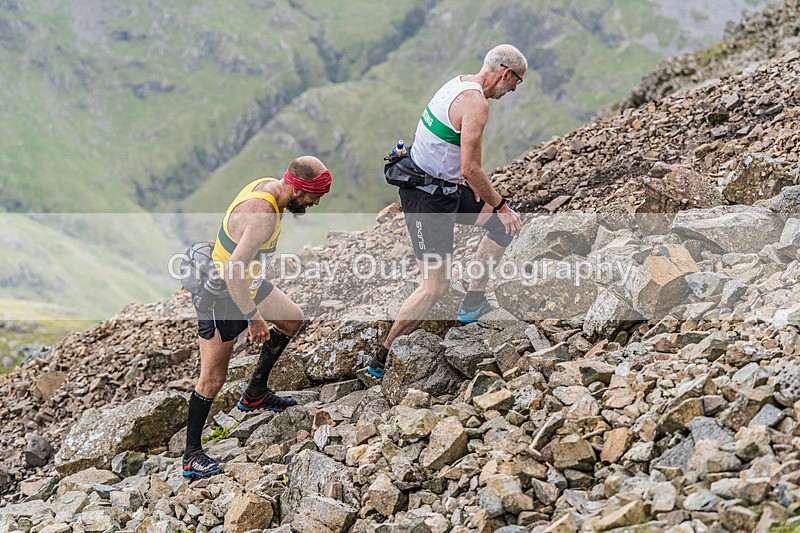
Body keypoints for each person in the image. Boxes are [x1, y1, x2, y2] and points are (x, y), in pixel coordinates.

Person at [367, 44, 527, 380]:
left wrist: (500, 212)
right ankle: (382, 357)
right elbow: (471, 169)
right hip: (428, 199)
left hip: (445, 188)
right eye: (517, 82)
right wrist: (500, 204)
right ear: (505, 72)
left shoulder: (459, 82)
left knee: (503, 227)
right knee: (435, 286)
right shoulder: (477, 103)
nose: (513, 89)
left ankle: (472, 306)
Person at [182, 156, 332, 478]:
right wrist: (254, 317)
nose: (317, 202)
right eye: (315, 195)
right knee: (212, 379)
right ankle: (191, 455)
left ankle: (255, 394)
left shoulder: (269, 187)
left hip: (247, 282)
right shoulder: (264, 212)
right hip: (224, 295)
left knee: (292, 319)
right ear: (298, 187)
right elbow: (233, 270)